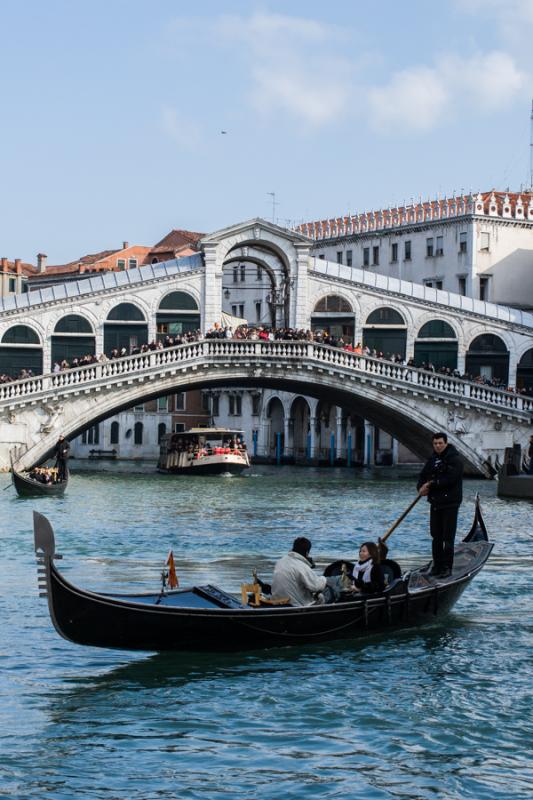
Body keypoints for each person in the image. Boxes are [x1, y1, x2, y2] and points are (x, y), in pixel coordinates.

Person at [417, 431, 463, 578]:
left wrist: (431, 484)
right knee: (435, 536)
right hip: (436, 503)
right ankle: (437, 566)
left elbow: (450, 479)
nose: (437, 446)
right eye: (435, 443)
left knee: (447, 538)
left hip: (450, 503)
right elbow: (423, 476)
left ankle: (447, 568)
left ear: (446, 443)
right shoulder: (432, 459)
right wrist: (420, 488)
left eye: (440, 443)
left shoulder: (455, 460)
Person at [271, 537, 327, 606]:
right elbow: (316, 586)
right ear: (307, 553)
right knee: (321, 596)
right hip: (295, 605)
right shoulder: (302, 566)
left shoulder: (280, 561)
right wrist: (324, 579)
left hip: (277, 602)